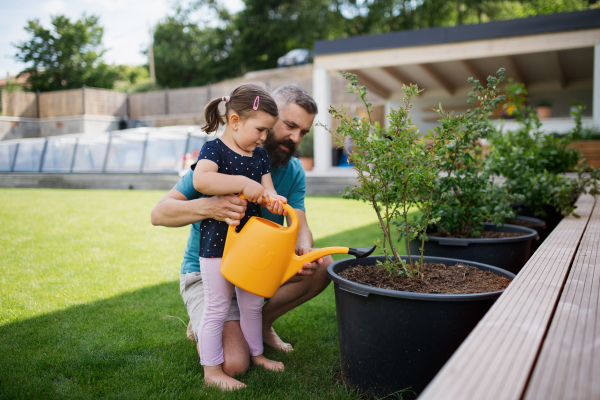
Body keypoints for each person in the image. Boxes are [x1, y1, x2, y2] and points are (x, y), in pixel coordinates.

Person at [150, 84, 333, 381]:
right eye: (289, 126)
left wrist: (304, 252)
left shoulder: (291, 169)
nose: (295, 138)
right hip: (210, 267)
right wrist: (211, 207)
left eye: (303, 132)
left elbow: (300, 222)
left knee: (323, 266)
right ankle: (208, 323)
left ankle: (259, 325)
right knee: (234, 363)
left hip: (253, 266)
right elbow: (159, 214)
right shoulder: (219, 157)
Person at [191, 83, 287, 390]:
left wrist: (273, 198)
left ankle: (257, 354)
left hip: (250, 246)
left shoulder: (259, 156)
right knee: (217, 307)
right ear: (234, 121)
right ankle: (212, 372)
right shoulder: (214, 150)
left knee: (252, 305)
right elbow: (202, 180)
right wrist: (242, 183)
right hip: (217, 248)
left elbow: (267, 187)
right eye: (259, 130)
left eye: (267, 132)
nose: (263, 138)